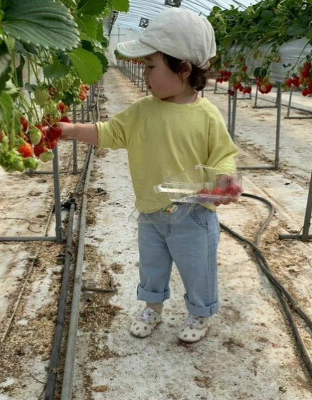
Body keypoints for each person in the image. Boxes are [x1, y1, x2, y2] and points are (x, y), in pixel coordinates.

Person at [58, 8, 239, 343]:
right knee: (152, 266)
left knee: (198, 269)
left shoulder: (207, 116)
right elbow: (108, 132)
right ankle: (151, 307)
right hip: (151, 211)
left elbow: (224, 155)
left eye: (151, 66)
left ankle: (200, 312)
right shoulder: (142, 110)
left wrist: (225, 178)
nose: (145, 74)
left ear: (183, 68)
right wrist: (70, 129)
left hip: (194, 214)